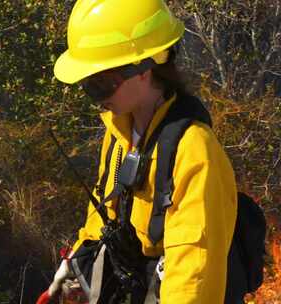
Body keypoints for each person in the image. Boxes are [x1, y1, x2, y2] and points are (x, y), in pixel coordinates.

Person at [46, 0, 240, 303]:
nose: (96, 97)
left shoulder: (194, 150)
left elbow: (193, 276)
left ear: (144, 68)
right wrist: (74, 264)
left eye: (102, 83)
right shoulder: (119, 132)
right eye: (88, 85)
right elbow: (104, 216)